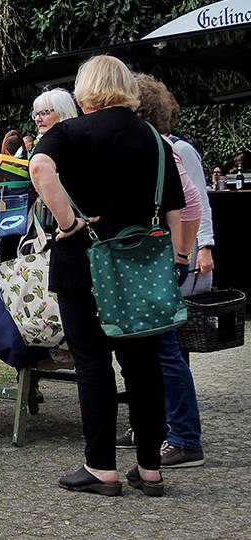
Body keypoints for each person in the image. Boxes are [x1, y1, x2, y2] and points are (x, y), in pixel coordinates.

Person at [30, 55, 185, 497]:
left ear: (85, 90)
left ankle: (101, 467)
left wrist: (68, 222)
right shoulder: (153, 138)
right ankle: (150, 468)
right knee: (143, 364)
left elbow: (39, 168)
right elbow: (177, 208)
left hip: (82, 265)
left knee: (93, 364)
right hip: (139, 268)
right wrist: (179, 259)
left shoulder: (67, 133)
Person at [113, 73, 209, 469]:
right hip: (157, 260)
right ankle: (153, 428)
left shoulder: (162, 148)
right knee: (152, 351)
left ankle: (185, 437)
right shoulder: (153, 145)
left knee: (165, 350)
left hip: (158, 262)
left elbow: (193, 205)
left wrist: (182, 256)